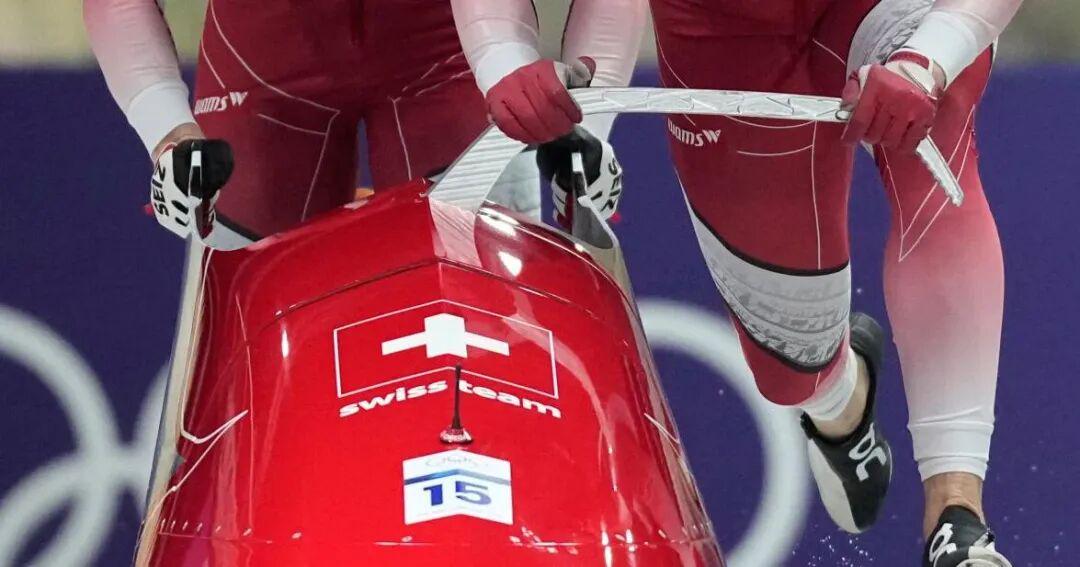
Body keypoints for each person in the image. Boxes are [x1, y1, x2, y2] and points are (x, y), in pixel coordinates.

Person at [455, 0, 1023, 565]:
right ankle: (841, 401)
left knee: (933, 134)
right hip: (724, 40)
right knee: (792, 368)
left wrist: (930, 58)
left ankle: (958, 518)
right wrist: (530, 80)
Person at [83, 0, 549, 250]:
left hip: (440, 52)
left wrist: (500, 66)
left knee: (487, 292)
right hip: (267, 67)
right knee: (247, 309)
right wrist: (170, 134)